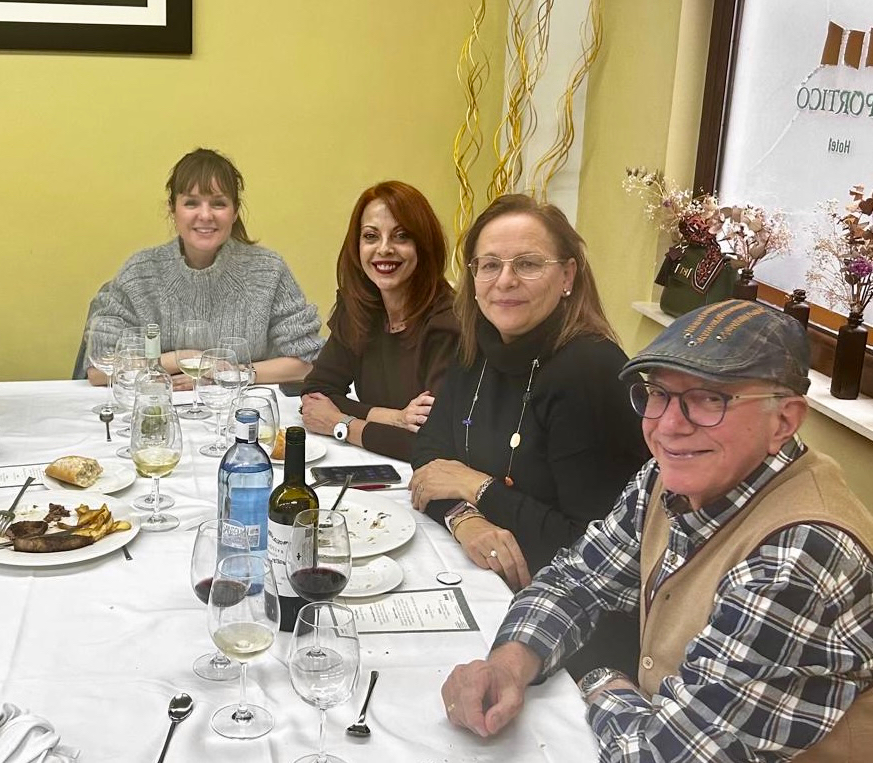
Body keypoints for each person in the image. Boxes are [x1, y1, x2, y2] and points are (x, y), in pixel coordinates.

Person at [441, 300, 873, 762]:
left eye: (711, 398)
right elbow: (578, 580)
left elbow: (665, 756)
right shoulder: (669, 477)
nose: (667, 426)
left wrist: (601, 681)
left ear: (784, 421)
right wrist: (508, 664)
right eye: (658, 394)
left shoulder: (801, 553)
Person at [409, 194, 648, 678]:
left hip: (574, 631)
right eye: (489, 264)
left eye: (528, 264)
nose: (505, 281)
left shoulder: (590, 373)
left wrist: (476, 488)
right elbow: (431, 459)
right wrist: (463, 519)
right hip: (491, 581)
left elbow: (591, 547)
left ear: (568, 277)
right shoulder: (481, 345)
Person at [84, 148, 322, 388]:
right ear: (172, 209)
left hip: (241, 413)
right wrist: (187, 359)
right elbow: (99, 370)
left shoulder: (268, 271)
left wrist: (225, 374)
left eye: (218, 204)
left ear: (235, 212)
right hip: (159, 410)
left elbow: (306, 362)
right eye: (191, 203)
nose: (205, 215)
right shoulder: (139, 273)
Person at [300, 181, 459, 461]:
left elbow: (431, 441)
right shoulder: (360, 307)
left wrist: (342, 425)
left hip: (427, 479)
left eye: (401, 237)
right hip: (371, 460)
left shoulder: (448, 323)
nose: (384, 249)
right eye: (371, 236)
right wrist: (394, 418)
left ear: (424, 245)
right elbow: (317, 392)